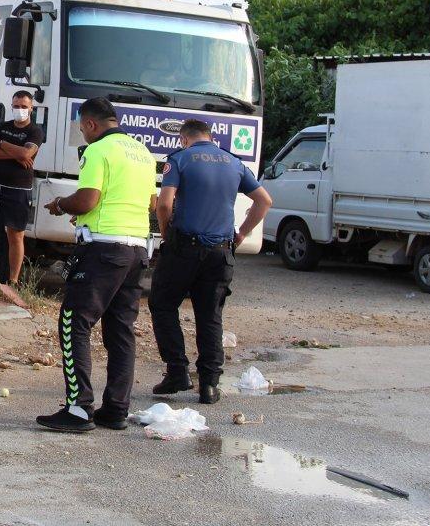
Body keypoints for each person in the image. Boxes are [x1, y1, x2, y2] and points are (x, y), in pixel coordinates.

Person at [35, 97, 155, 433]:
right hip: (136, 250)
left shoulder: (98, 151)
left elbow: (88, 198)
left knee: (74, 322)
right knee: (120, 330)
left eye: (82, 128)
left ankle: (78, 408)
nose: (83, 135)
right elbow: (151, 202)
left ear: (91, 124)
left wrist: (60, 204)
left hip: (103, 250)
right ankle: (116, 409)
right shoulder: (142, 152)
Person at [150, 119, 272, 404]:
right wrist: (242, 233)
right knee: (210, 315)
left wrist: (167, 234)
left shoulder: (179, 160)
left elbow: (164, 204)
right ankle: (209, 385)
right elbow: (264, 200)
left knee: (163, 304)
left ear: (183, 139)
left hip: (184, 248)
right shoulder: (234, 163)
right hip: (220, 251)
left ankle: (177, 371)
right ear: (211, 137)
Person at [0, 91, 44, 286]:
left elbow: (27, 153)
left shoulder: (35, 131)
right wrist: (17, 154)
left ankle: (13, 281)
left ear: (31, 108)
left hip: (19, 189)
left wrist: (2, 143)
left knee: (15, 235)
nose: (19, 110)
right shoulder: (1, 126)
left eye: (24, 106)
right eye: (16, 106)